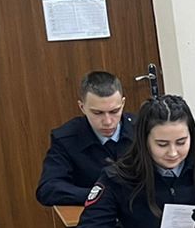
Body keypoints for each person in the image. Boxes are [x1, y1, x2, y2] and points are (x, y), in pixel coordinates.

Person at [71, 95, 195, 228]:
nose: (173, 153)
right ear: (145, 141)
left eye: (181, 142)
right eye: (162, 144)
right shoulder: (119, 177)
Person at [35, 70, 136, 206]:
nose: (108, 121)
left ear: (123, 103)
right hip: (93, 213)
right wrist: (98, 196)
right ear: (82, 107)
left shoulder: (143, 130)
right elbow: (48, 189)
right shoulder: (65, 138)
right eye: (97, 113)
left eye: (114, 111)